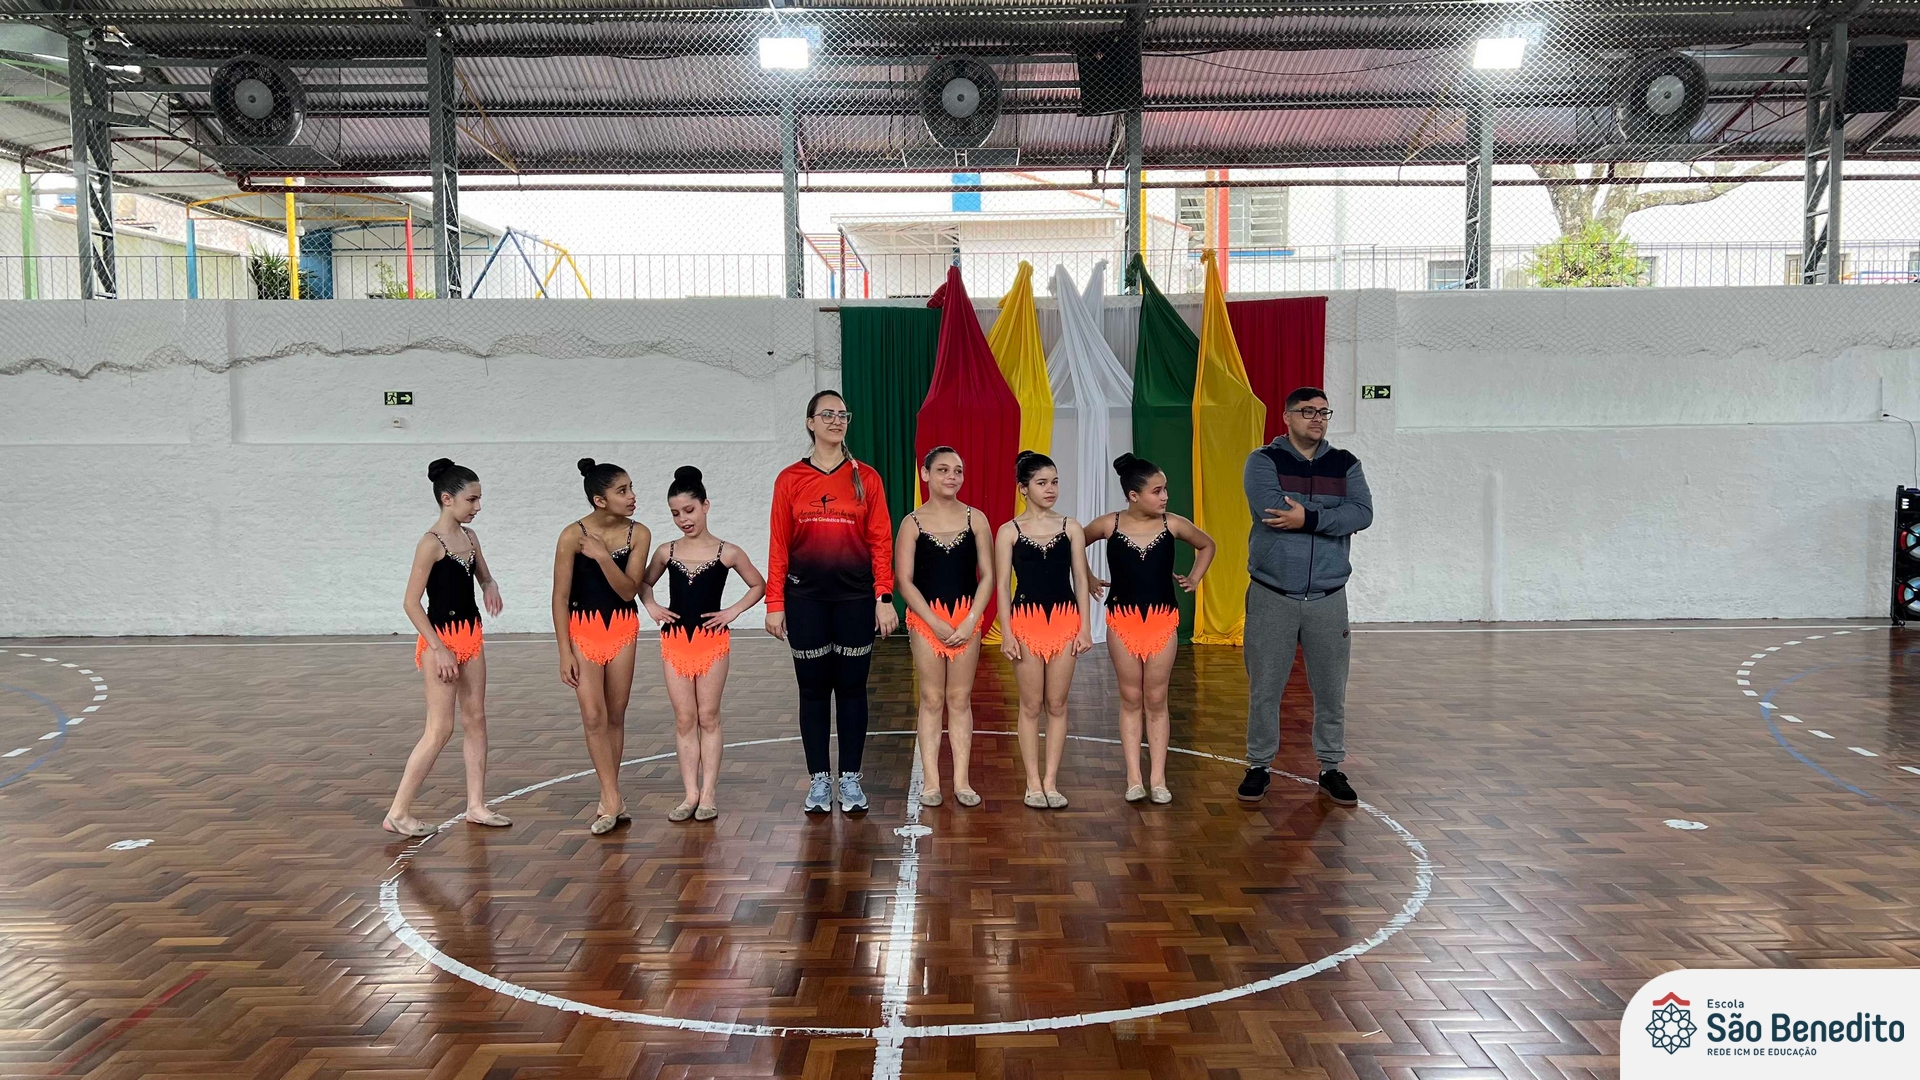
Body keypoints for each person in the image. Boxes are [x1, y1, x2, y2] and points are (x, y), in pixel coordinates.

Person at [1237, 387, 1373, 808]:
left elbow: (1362, 513)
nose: (1317, 419)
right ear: (1287, 417)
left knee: (1331, 690)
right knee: (1265, 688)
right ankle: (1259, 765)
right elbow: (1272, 510)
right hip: (1272, 593)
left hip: (1329, 596)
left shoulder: (1345, 463)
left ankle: (1331, 766)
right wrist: (1331, 517)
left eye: (1324, 412)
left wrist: (1308, 517)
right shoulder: (1263, 461)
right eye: (1308, 411)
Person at [764, 390, 898, 814]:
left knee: (853, 688)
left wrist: (883, 596)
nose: (837, 420)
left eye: (843, 414)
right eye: (827, 414)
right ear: (810, 423)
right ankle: (820, 780)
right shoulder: (790, 479)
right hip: (805, 600)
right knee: (813, 689)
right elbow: (779, 544)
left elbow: (881, 541)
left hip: (855, 600)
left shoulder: (867, 478)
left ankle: (851, 778)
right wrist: (774, 602)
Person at [384, 458, 509, 837]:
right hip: (440, 640)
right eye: (472, 499)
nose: (478, 506)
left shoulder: (470, 538)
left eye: (479, 499)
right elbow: (411, 603)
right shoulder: (430, 544)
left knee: (476, 719)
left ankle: (476, 805)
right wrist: (439, 649)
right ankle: (398, 812)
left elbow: (483, 576)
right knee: (440, 728)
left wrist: (490, 586)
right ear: (447, 498)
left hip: (471, 636)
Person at [1081, 453, 1215, 805]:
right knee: (1130, 698)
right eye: (1157, 491)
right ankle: (1133, 777)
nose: (1165, 496)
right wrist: (1088, 577)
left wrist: (1195, 578)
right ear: (1133, 495)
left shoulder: (1173, 524)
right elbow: (1073, 543)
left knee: (1156, 699)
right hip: (1122, 621)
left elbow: (1207, 544)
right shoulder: (1109, 524)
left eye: (1165, 489)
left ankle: (1158, 778)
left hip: (1162, 621)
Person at [639, 465, 766, 823]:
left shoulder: (728, 552)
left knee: (708, 716)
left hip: (712, 642)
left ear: (705, 506)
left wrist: (733, 611)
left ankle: (708, 794)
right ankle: (690, 794)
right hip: (675, 641)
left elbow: (759, 585)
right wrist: (651, 606)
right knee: (684, 718)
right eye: (675, 513)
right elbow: (643, 584)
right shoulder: (666, 551)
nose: (683, 519)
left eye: (689, 510)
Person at [552, 459, 650, 835]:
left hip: (622, 627)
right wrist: (564, 651)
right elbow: (560, 597)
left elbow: (627, 591)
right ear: (600, 499)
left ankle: (611, 797)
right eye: (622, 490)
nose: (632, 496)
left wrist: (602, 556)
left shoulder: (639, 534)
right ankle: (611, 797)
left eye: (631, 488)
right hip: (583, 630)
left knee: (615, 715)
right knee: (593, 716)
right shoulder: (571, 536)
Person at [895, 446, 994, 808]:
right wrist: (933, 621)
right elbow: (904, 581)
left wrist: (971, 620)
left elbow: (988, 576)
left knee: (959, 699)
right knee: (932, 698)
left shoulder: (976, 519)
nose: (952, 476)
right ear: (925, 475)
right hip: (927, 621)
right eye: (943, 470)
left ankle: (962, 781)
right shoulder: (912, 523)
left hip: (966, 619)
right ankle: (932, 782)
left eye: (958, 470)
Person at [994, 450, 1094, 810]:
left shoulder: (1071, 527)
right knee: (1031, 704)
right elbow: (1001, 586)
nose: (1050, 489)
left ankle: (1051, 781)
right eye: (1042, 483)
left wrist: (1085, 627)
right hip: (1025, 623)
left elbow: (1080, 579)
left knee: (1057, 703)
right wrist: (1007, 632)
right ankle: (1032, 783)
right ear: (1024, 488)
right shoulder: (1009, 531)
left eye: (1054, 482)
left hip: (1065, 622)